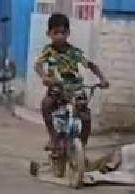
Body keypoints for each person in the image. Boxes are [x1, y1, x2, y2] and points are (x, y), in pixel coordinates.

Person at [34, 13, 108, 149]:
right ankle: (53, 137)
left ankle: (82, 146)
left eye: (63, 32)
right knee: (46, 105)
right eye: (56, 33)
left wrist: (102, 79)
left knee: (86, 117)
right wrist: (44, 76)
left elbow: (91, 65)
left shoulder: (75, 52)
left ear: (68, 33)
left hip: (76, 90)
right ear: (48, 33)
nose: (60, 36)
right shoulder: (48, 51)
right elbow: (38, 65)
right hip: (57, 89)